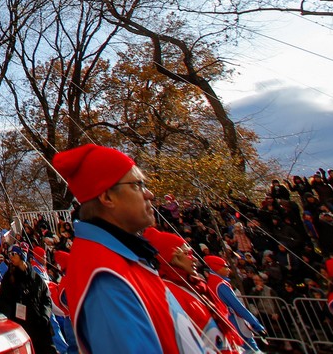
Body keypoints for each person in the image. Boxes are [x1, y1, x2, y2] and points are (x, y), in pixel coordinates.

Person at [53, 143, 213, 354]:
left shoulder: (125, 260)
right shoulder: (105, 277)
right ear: (107, 197)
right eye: (137, 185)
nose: (149, 194)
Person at [143, 229, 243, 354]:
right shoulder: (170, 293)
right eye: (188, 253)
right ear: (172, 256)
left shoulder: (195, 286)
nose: (195, 259)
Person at [0, 245, 51, 353]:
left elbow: (46, 298)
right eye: (9, 254)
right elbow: (4, 302)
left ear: (22, 255)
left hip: (41, 326)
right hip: (22, 328)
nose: (10, 257)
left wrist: (45, 315)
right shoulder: (8, 278)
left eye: (13, 254)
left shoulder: (35, 276)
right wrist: (11, 322)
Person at [203, 256, 265, 352]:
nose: (229, 270)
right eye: (225, 267)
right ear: (217, 267)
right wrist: (256, 325)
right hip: (235, 323)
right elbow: (238, 306)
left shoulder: (212, 281)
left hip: (228, 324)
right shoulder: (220, 284)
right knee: (251, 349)